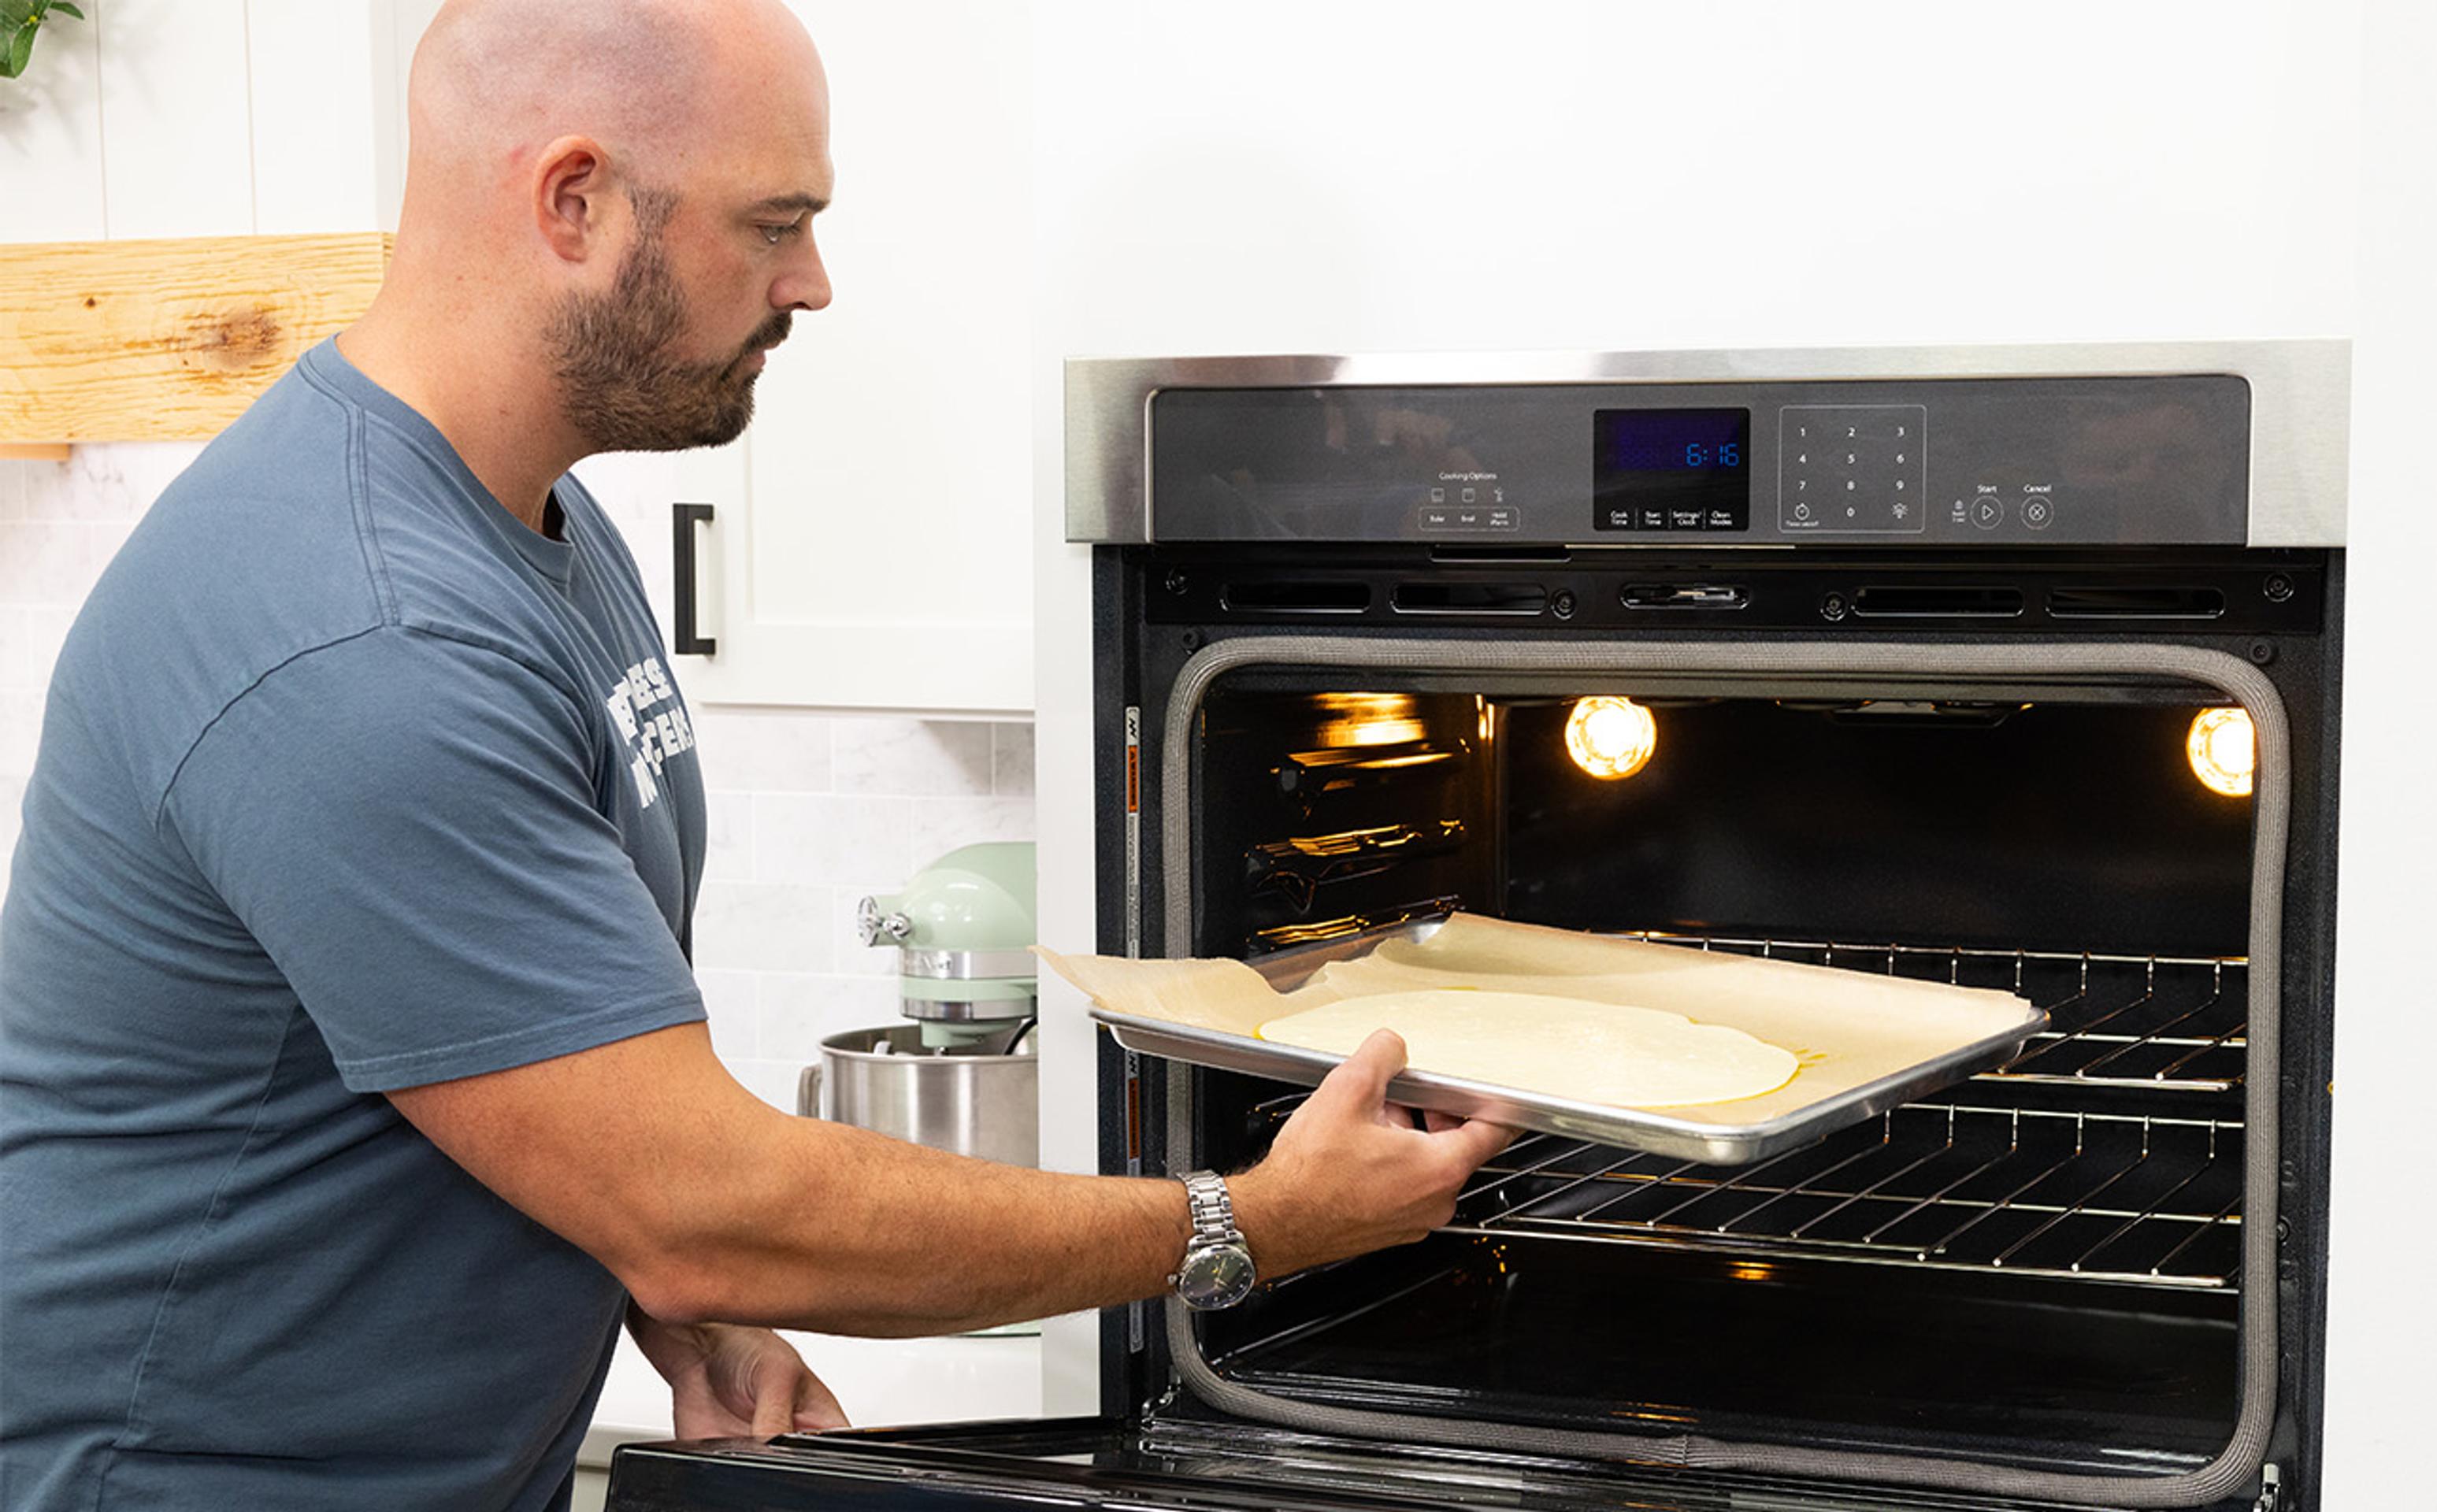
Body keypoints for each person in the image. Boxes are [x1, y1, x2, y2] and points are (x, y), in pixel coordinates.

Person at [0, 2, 1513, 1507]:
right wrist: (1246, 1221)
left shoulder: (534, 521)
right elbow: (695, 1202)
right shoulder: (363, 639)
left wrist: (697, 1312)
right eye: (773, 223)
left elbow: (510, 1073)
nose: (814, 282)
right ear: (574, 201)